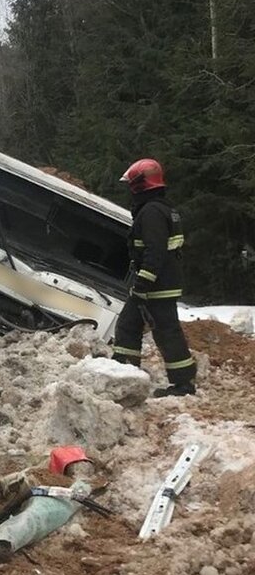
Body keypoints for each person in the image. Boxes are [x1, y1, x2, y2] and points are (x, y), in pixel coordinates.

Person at [112, 158, 197, 397]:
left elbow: (155, 252)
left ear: (140, 184)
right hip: (160, 283)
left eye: (131, 184)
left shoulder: (151, 212)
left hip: (156, 286)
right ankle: (123, 371)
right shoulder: (162, 208)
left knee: (165, 330)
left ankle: (183, 384)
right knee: (130, 324)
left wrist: (142, 284)